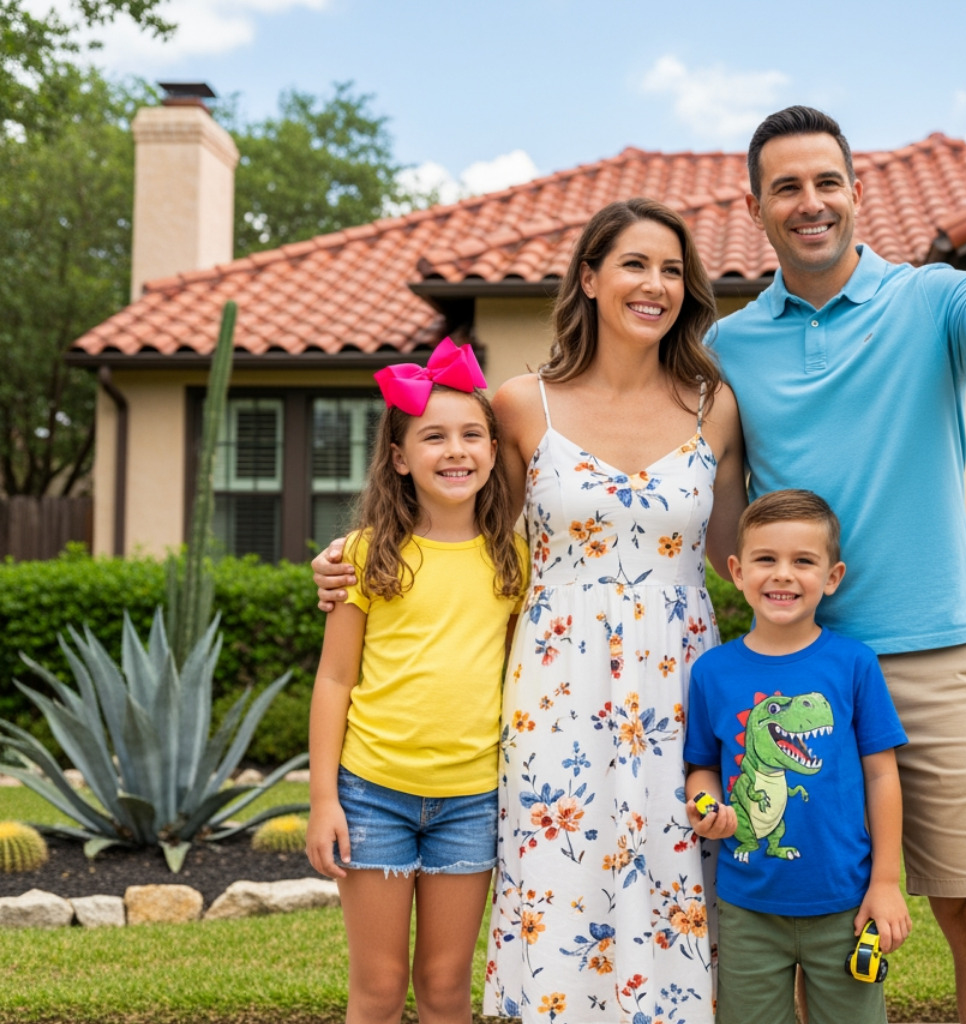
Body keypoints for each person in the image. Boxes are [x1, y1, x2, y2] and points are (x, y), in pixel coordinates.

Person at [701, 106, 966, 1024]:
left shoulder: (930, 301)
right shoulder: (728, 348)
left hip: (933, 657)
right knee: (803, 922)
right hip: (796, 673)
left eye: (827, 182)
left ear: (857, 192)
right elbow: (702, 499)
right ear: (757, 208)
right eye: (786, 188)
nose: (810, 202)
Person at [315, 198, 746, 1023]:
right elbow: (464, 533)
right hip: (556, 693)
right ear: (589, 278)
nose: (655, 284)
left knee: (677, 883)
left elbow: (740, 556)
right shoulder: (520, 404)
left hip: (679, 687)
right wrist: (350, 556)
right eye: (634, 264)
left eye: (671, 270)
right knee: (564, 884)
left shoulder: (714, 406)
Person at [306, 338, 530, 1024]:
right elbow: (334, 680)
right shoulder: (364, 555)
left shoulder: (516, 560)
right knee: (378, 988)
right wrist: (323, 800)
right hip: (372, 796)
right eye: (433, 437)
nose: (455, 451)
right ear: (400, 458)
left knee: (443, 987)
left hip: (472, 800)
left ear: (494, 450)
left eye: (471, 435)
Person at [684, 489, 909, 1024]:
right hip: (747, 905)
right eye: (766, 559)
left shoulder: (854, 664)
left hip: (845, 903)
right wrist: (705, 805)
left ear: (832, 577)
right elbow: (704, 766)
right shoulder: (712, 671)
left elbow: (882, 775)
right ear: (737, 572)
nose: (782, 574)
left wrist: (885, 883)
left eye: (803, 561)